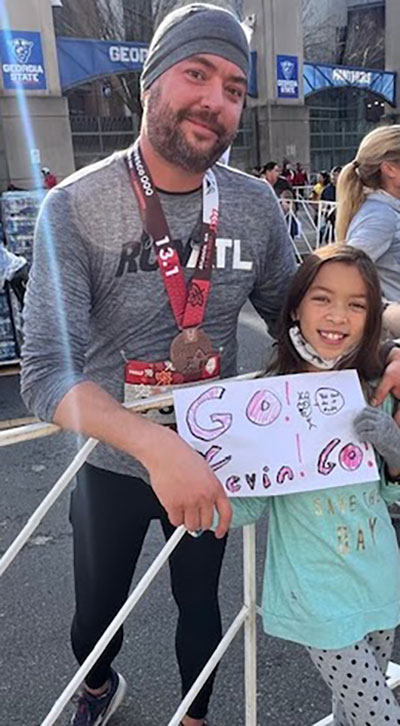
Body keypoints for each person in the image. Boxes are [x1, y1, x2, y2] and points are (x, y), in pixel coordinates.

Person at [20, 5, 297, 726]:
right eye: (197, 74)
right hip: (115, 461)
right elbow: (46, 372)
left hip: (214, 456)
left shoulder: (254, 204)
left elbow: (296, 322)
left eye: (235, 88)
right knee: (94, 619)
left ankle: (196, 718)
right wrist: (153, 445)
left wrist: (376, 334)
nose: (216, 99)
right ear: (150, 83)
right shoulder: (74, 205)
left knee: (201, 607)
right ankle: (96, 687)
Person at [218, 244, 400, 725]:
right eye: (323, 298)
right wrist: (197, 468)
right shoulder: (266, 398)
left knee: (351, 717)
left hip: (380, 581)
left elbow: (390, 493)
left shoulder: (373, 386)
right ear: (296, 304)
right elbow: (247, 508)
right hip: (317, 598)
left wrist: (393, 448)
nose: (338, 315)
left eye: (357, 304)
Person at [336, 125, 400, 337]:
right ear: (390, 169)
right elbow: (340, 278)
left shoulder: (387, 211)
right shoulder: (381, 216)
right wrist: (385, 313)